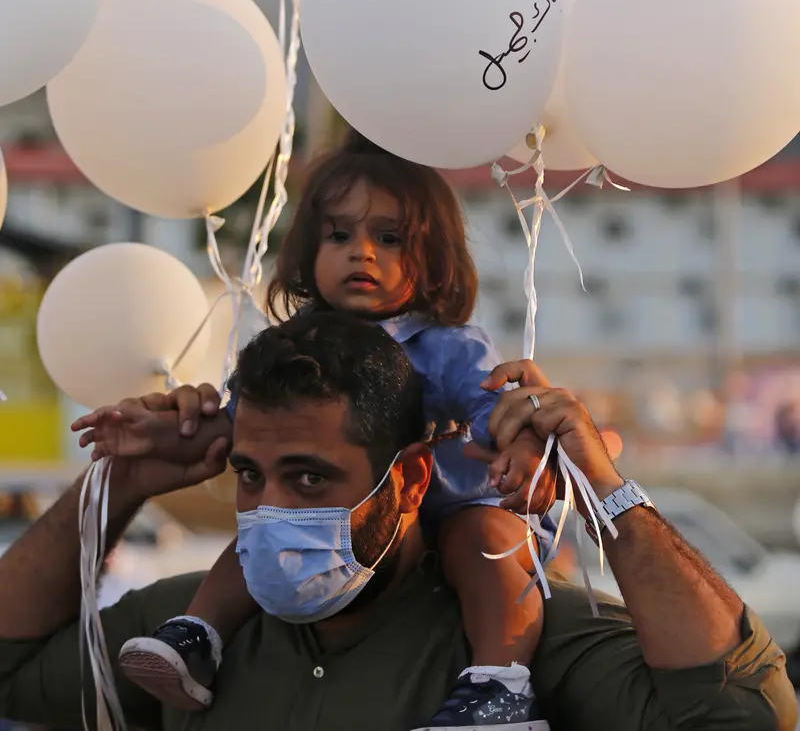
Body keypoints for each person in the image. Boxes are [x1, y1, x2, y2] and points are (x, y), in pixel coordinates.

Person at [0, 312, 794, 731]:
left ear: (410, 476)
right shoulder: (184, 637)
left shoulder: (525, 634)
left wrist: (601, 484)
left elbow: (745, 719)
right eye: (251, 476)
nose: (273, 509)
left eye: (310, 477)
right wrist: (124, 482)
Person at [75, 137, 559, 727]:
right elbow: (237, 429)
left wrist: (512, 448)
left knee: (484, 544)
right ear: (308, 250)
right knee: (266, 526)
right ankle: (197, 637)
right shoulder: (291, 345)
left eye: (389, 239)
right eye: (339, 236)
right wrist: (158, 433)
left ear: (433, 259)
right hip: (347, 515)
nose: (362, 254)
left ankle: (498, 685)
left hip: (455, 500)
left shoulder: (449, 345)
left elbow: (493, 407)